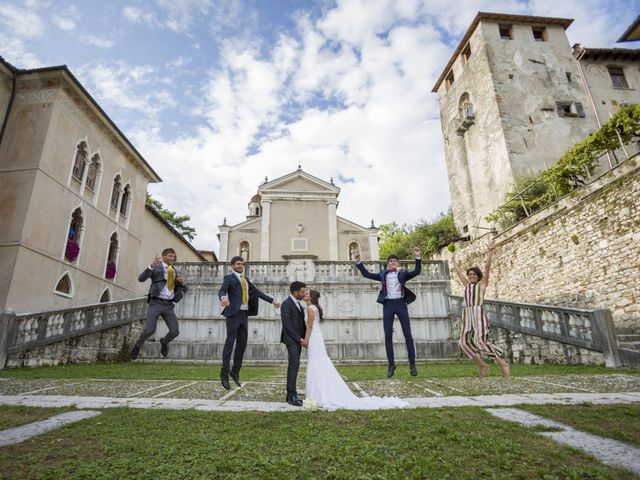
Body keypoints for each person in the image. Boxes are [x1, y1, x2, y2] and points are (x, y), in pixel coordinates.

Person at [304, 290, 408, 410]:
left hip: (314, 338)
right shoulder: (313, 308)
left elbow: (310, 327)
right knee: (319, 363)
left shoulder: (311, 308)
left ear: (311, 297)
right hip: (316, 337)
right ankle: (319, 392)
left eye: (307, 294)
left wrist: (305, 341)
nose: (305, 295)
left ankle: (318, 393)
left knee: (317, 362)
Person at [354, 247, 421, 378]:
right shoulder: (383, 274)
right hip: (388, 305)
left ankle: (412, 364)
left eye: (395, 261)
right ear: (388, 263)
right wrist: (358, 262)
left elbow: (417, 271)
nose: (393, 262)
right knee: (388, 336)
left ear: (398, 263)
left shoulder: (403, 273)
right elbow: (367, 275)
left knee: (408, 334)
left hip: (401, 304)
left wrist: (417, 257)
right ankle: (391, 365)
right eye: (391, 261)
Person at [219, 256, 281, 390]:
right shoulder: (229, 278)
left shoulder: (246, 280)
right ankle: (224, 374)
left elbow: (257, 292)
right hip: (233, 314)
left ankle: (235, 372)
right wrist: (223, 298)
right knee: (230, 343)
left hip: (244, 314)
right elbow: (222, 290)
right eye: (238, 264)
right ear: (232, 266)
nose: (240, 266)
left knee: (242, 344)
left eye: (242, 264)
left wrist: (273, 301)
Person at [451, 239, 510, 378]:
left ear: (478, 277)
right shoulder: (466, 286)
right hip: (467, 315)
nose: (471, 276)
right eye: (470, 274)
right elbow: (459, 273)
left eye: (474, 274)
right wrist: (453, 261)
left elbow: (487, 267)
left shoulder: (482, 285)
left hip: (478, 314)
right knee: (463, 343)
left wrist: (490, 251)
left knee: (481, 341)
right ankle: (483, 365)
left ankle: (502, 363)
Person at [131, 248, 187, 360]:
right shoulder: (156, 267)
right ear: (164, 256)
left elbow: (185, 289)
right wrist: (151, 266)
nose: (172, 258)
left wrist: (182, 283)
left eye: (174, 257)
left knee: (175, 331)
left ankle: (164, 342)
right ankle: (137, 346)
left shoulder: (175, 272)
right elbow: (141, 279)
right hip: (155, 303)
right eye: (170, 256)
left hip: (169, 305)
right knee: (149, 330)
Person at [280, 281, 307, 406]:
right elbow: (288, 325)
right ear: (295, 292)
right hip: (291, 340)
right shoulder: (286, 304)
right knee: (293, 366)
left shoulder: (298, 304)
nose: (304, 294)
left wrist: (306, 337)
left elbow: (301, 323)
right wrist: (299, 339)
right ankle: (291, 395)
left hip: (297, 340)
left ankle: (291, 394)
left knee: (295, 366)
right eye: (302, 292)